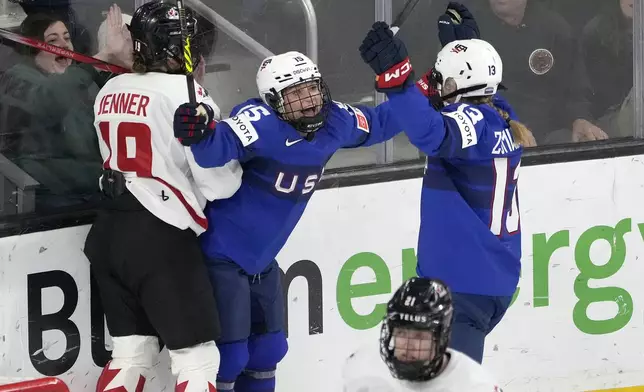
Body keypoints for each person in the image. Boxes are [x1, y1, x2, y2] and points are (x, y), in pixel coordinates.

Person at [173, 50, 411, 391]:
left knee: (270, 349)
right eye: (295, 94)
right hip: (222, 256)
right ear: (272, 100)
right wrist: (194, 131)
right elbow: (213, 149)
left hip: (263, 260)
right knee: (231, 357)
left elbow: (380, 123)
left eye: (312, 88)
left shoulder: (336, 121)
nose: (309, 101)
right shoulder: (259, 121)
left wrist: (419, 92)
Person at [359, 10, 536, 364]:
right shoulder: (500, 114)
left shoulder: (471, 122)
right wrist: (463, 48)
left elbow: (430, 133)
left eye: (442, 80)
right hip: (491, 281)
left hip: (461, 286)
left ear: (456, 85)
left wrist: (398, 80)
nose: (436, 85)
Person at [83, 1, 242, 391]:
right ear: (184, 51)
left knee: (131, 356)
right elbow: (218, 183)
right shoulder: (188, 96)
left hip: (108, 233)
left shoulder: (109, 88)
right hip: (160, 238)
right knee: (197, 359)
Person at [343, 277, 504, 391]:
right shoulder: (363, 370)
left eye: (419, 336)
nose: (408, 346)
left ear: (441, 337)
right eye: (401, 332)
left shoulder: (476, 386)